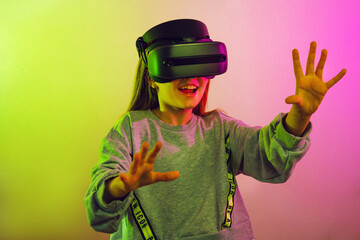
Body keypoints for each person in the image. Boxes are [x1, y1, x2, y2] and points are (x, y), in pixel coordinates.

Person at [84, 19, 346, 240]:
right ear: (152, 77)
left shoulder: (221, 129)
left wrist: (299, 116)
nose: (191, 78)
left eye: (200, 65)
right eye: (178, 65)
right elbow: (99, 215)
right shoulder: (131, 129)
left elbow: (270, 159)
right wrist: (120, 187)